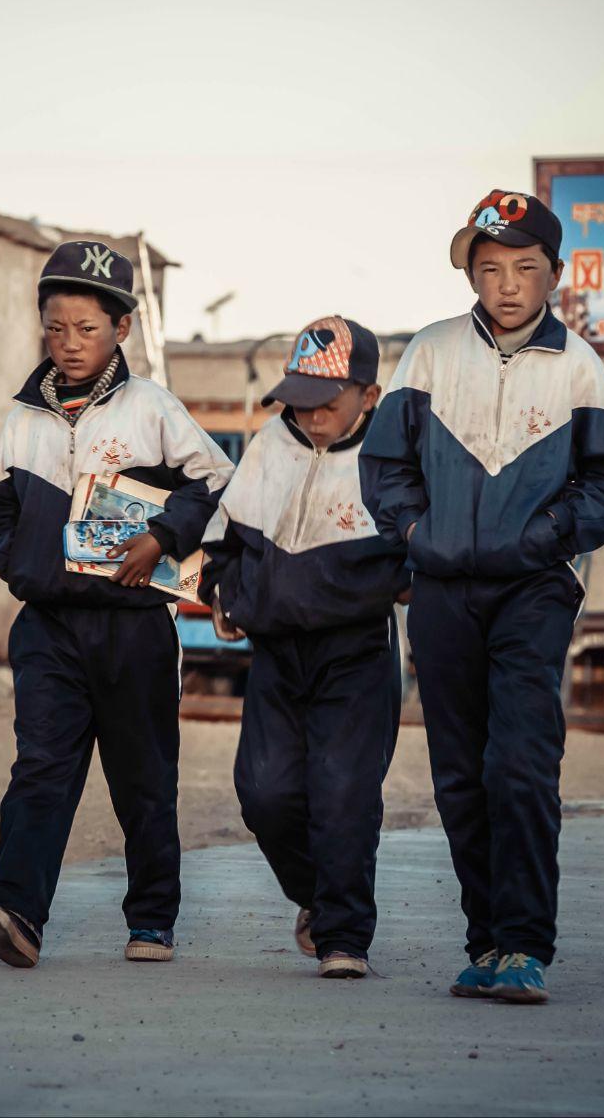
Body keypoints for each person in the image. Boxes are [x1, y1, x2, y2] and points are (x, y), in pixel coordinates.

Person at [360, 191, 604, 1003]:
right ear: (470, 275)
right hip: (443, 589)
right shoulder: (429, 353)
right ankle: (485, 941)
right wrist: (418, 534)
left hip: (535, 590)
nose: (508, 284)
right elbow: (385, 469)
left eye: (525, 267)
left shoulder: (578, 367)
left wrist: (545, 536)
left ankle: (525, 946)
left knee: (518, 764)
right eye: (490, 269)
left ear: (555, 273)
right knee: (458, 773)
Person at [0, 240, 233, 968]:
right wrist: (23, 568)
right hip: (49, 625)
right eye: (56, 327)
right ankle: (17, 913)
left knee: (142, 779)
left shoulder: (152, 409)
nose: (70, 343)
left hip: (134, 625)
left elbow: (218, 485)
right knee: (41, 767)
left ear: (122, 329)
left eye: (87, 328)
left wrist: (161, 537)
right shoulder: (24, 417)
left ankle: (152, 919)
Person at [201, 315, 410, 979]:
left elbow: (421, 549)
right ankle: (318, 898)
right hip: (276, 652)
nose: (313, 416)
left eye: (329, 403)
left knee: (344, 792)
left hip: (356, 653)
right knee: (264, 795)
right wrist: (226, 595)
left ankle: (344, 937)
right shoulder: (270, 446)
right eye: (300, 401)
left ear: (367, 397)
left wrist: (406, 583)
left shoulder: (393, 461)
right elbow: (228, 537)